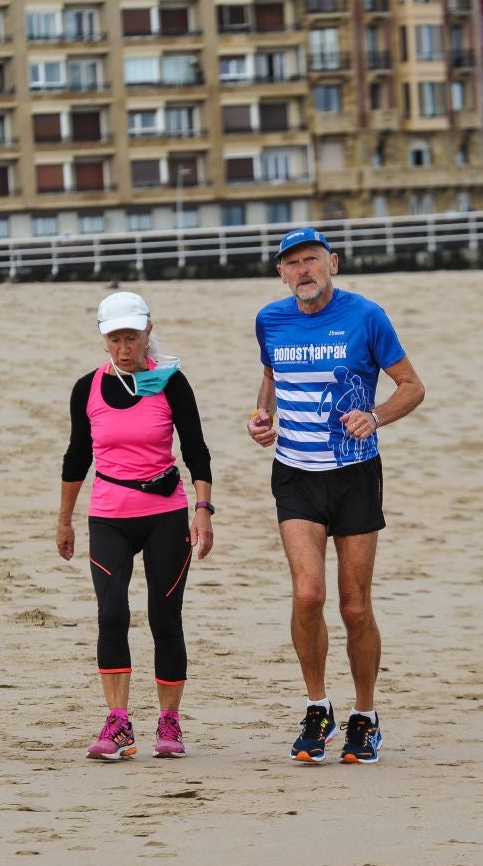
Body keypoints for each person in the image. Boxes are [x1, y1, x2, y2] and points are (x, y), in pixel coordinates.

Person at [246, 227, 425, 764]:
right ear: (281, 273)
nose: (303, 270)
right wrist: (263, 416)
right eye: (293, 263)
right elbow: (272, 375)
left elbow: (412, 386)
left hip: (353, 474)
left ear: (334, 264)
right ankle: (317, 706)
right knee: (307, 595)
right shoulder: (270, 320)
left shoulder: (366, 316)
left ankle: (365, 716)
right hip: (295, 473)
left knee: (353, 604)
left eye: (312, 261)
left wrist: (375, 417)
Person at [57, 291, 214, 761]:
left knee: (165, 618)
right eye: (115, 339)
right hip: (109, 514)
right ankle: (118, 723)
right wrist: (64, 519)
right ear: (103, 339)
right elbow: (76, 457)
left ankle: (170, 722)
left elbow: (197, 452)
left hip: (166, 513)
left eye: (132, 336)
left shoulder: (171, 382)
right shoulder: (87, 388)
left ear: (148, 332)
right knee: (111, 615)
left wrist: (203, 511)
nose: (125, 347)